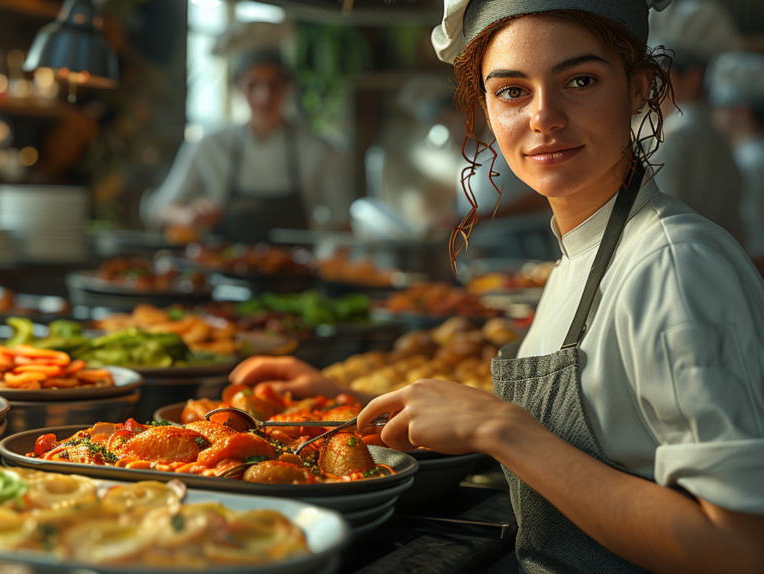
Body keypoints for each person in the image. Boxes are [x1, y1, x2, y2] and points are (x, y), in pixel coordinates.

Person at [232, 0, 764, 571]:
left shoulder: (673, 265)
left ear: (638, 89)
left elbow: (739, 547)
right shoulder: (583, 253)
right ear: (484, 105)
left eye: (579, 80)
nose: (544, 116)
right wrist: (346, 402)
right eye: (512, 90)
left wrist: (503, 429)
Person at [147, 21, 353, 244]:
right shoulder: (210, 146)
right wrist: (188, 215)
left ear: (287, 86)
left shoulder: (319, 150)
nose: (264, 97)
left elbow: (343, 225)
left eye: (273, 84)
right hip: (223, 271)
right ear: (237, 88)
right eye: (253, 85)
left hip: (296, 274)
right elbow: (160, 208)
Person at [646, 0, 745, 242]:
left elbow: (659, 230)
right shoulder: (718, 134)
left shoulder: (675, 137)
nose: (650, 83)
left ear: (693, 77)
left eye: (661, 70)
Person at [706, 50, 764, 264]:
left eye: (720, 107)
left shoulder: (749, 161)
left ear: (741, 111)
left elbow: (756, 245)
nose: (714, 115)